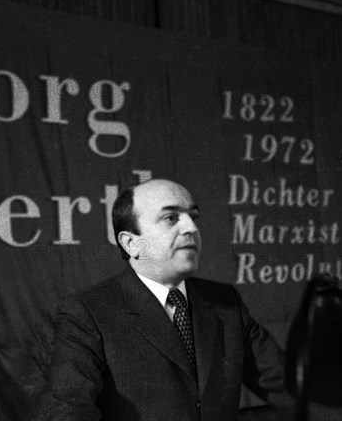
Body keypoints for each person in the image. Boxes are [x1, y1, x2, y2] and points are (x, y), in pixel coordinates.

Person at [37, 179, 284, 421]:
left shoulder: (226, 302)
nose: (192, 228)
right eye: (171, 218)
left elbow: (288, 386)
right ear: (132, 243)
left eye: (193, 216)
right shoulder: (87, 312)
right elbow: (67, 409)